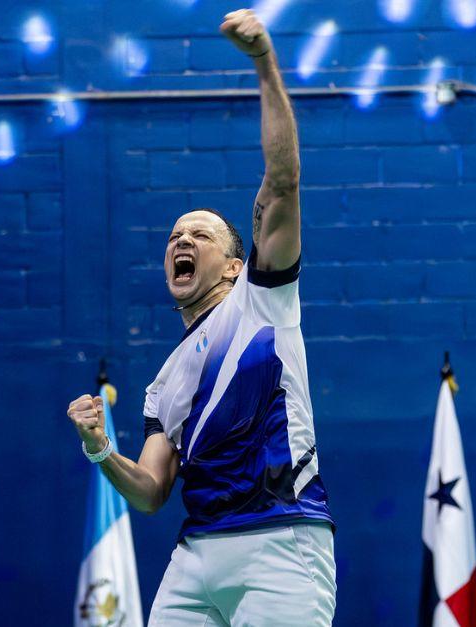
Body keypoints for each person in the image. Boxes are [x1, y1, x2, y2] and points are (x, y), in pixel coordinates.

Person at [67, 9, 335, 626]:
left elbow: (285, 179)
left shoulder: (262, 301)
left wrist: (264, 61)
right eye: (174, 235)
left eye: (200, 234)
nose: (180, 240)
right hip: (196, 554)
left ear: (236, 264)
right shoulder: (164, 382)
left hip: (281, 542)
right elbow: (152, 492)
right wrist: (99, 449)